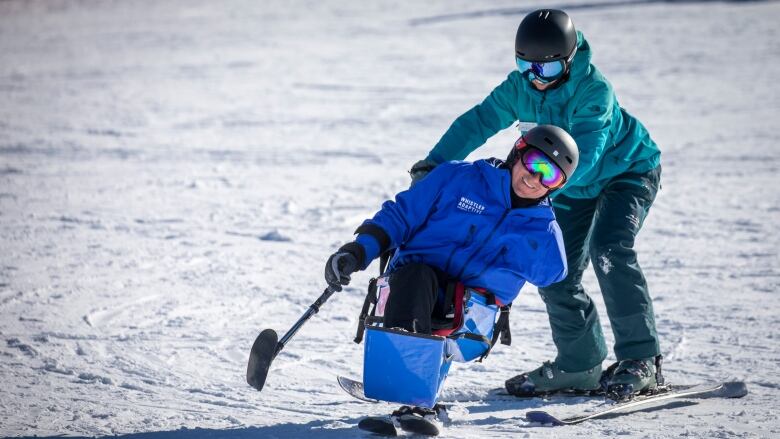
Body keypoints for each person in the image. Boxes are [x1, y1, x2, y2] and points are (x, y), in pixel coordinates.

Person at [408, 9, 663, 400]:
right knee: (555, 269)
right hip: (564, 188)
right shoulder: (519, 88)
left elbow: (589, 153)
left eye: (546, 70)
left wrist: (538, 193)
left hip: (624, 173)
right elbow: (479, 121)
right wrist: (435, 163)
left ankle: (641, 359)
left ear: (571, 59)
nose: (534, 79)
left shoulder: (594, 91)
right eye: (525, 66)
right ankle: (580, 363)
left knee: (609, 249)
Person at [324, 125, 579, 421]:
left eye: (550, 175)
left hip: (467, 319)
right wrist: (359, 251)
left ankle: (416, 391)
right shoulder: (460, 177)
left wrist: (535, 228)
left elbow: (553, 273)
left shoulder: (540, 227)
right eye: (534, 163)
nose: (535, 179)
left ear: (557, 186)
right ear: (517, 152)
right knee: (418, 276)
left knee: (457, 300)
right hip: (408, 291)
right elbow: (400, 215)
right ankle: (414, 395)